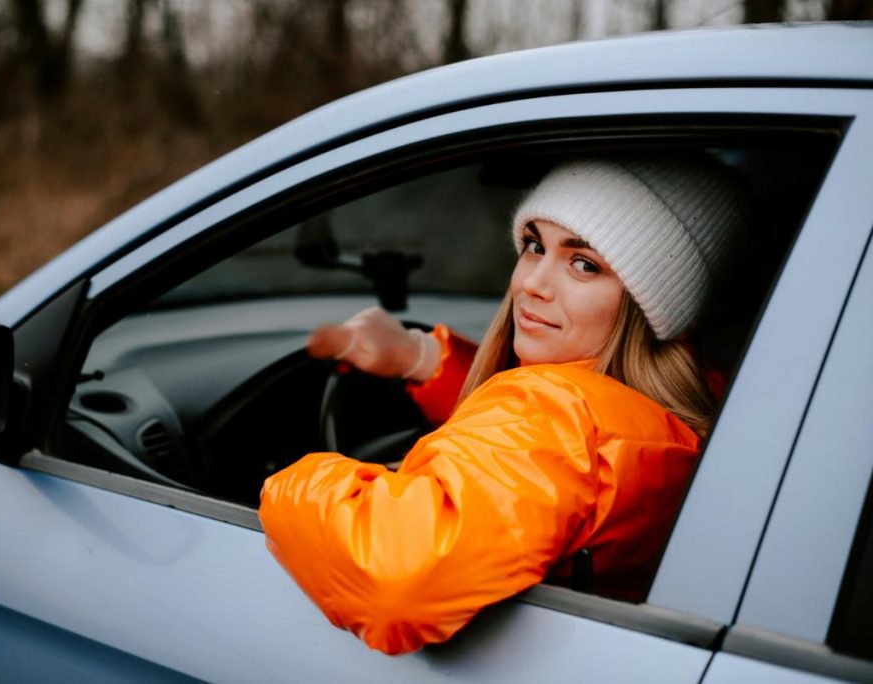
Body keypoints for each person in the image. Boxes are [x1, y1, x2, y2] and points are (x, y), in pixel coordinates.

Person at [259, 153, 749, 655]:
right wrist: (423, 358)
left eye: (584, 264)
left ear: (652, 301)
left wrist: (281, 483)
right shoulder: (710, 398)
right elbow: (555, 462)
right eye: (536, 246)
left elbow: (394, 578)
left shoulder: (550, 415)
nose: (532, 284)